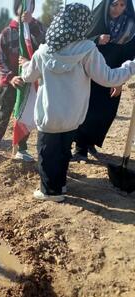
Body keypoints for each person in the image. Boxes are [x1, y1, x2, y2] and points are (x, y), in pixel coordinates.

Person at [20, 3, 135, 202]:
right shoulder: (88, 49)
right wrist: (130, 66)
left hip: (49, 116)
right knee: (64, 153)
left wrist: (25, 66)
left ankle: (50, 192)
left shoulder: (43, 51)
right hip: (73, 117)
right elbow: (108, 77)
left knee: (47, 156)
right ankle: (60, 185)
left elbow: (28, 76)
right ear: (84, 24)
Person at [74, 0, 135, 161]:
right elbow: (79, 41)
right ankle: (80, 149)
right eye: (115, 5)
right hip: (91, 75)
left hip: (114, 76)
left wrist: (120, 81)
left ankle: (90, 143)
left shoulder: (131, 27)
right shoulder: (96, 19)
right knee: (87, 111)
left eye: (122, 5)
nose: (118, 9)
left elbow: (129, 56)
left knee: (106, 113)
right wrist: (96, 39)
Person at [0, 0, 45, 163]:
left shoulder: (37, 28)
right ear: (16, 8)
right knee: (3, 114)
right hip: (9, 83)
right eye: (23, 4)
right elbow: (1, 59)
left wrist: (31, 25)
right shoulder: (7, 32)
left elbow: (44, 46)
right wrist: (11, 77)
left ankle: (22, 148)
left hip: (30, 81)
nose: (26, 9)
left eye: (30, 5)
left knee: (25, 114)